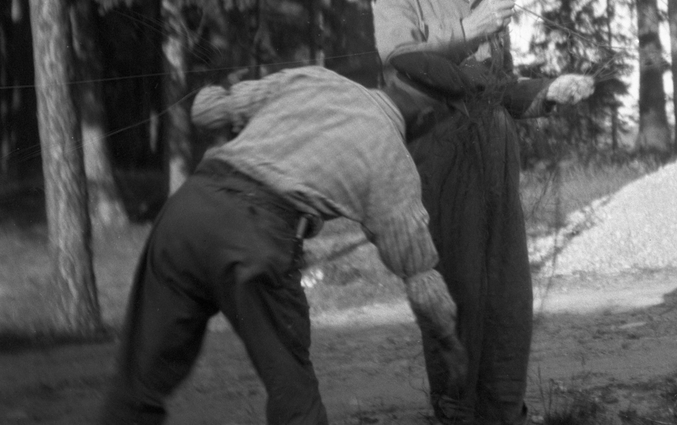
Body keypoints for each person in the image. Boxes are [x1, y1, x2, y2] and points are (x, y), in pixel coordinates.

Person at [99, 66, 468, 425]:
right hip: (256, 240)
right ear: (428, 115)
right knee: (294, 396)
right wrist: (449, 343)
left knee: (139, 383)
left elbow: (206, 110)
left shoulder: (315, 78)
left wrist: (221, 90)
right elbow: (421, 280)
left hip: (186, 214)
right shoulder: (394, 164)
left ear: (390, 81)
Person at [373, 0, 594, 425]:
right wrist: (470, 28)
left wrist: (546, 92)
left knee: (508, 308)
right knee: (458, 301)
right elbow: (401, 61)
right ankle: (456, 414)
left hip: (499, 166)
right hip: (442, 172)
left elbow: (494, 87)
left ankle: (503, 414)